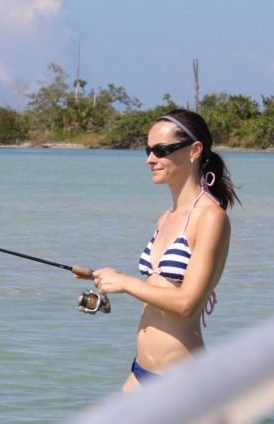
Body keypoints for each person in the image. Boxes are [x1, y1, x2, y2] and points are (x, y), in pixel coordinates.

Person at [88, 109, 238, 392]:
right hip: (142, 371)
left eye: (161, 150)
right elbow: (159, 287)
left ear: (194, 150)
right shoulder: (166, 216)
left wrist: (125, 283)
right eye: (148, 149)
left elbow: (186, 304)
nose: (150, 159)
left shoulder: (210, 217)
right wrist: (110, 278)